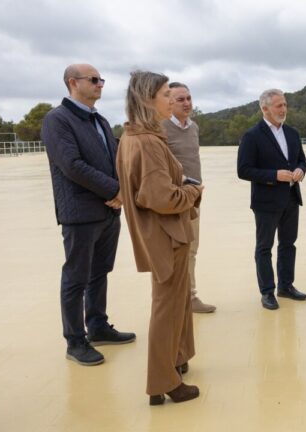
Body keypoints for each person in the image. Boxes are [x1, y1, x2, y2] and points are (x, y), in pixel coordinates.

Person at [116, 70, 203, 404]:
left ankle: (177, 359)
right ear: (147, 99)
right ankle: (163, 382)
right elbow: (159, 196)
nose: (172, 99)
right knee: (167, 308)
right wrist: (191, 194)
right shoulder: (149, 142)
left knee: (176, 303)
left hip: (159, 234)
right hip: (167, 236)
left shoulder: (131, 137)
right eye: (167, 94)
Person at [41, 63, 135, 366]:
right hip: (81, 212)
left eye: (101, 80)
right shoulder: (58, 120)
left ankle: (97, 326)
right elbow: (72, 165)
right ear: (72, 83)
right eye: (94, 80)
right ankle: (75, 340)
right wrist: (115, 191)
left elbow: (116, 158)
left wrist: (121, 190)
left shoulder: (101, 121)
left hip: (108, 211)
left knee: (99, 271)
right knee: (76, 277)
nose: (100, 84)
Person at [237, 89, 306, 311]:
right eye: (279, 106)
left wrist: (300, 170)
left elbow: (302, 161)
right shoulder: (252, 136)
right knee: (264, 247)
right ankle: (267, 291)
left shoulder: (293, 133)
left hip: (291, 199)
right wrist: (274, 175)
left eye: (285, 104)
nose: (283, 109)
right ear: (264, 108)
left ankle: (286, 286)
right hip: (266, 202)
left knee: (288, 244)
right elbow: (243, 170)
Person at [162, 82, 216, 313]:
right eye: (180, 99)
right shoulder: (161, 128)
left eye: (189, 98)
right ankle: (172, 300)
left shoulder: (193, 127)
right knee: (170, 252)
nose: (187, 103)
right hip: (172, 201)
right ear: (169, 102)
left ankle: (190, 297)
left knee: (191, 249)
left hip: (194, 200)